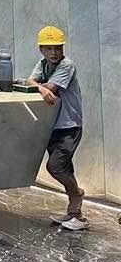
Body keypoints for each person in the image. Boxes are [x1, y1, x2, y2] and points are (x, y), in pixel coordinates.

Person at [27, 25, 86, 231]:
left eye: (58, 48)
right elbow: (30, 81)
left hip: (69, 125)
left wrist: (40, 87)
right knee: (65, 168)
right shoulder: (43, 64)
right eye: (49, 48)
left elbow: (50, 88)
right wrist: (40, 87)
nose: (54, 52)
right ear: (41, 50)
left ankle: (77, 194)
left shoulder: (67, 65)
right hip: (53, 125)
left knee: (56, 167)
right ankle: (75, 214)